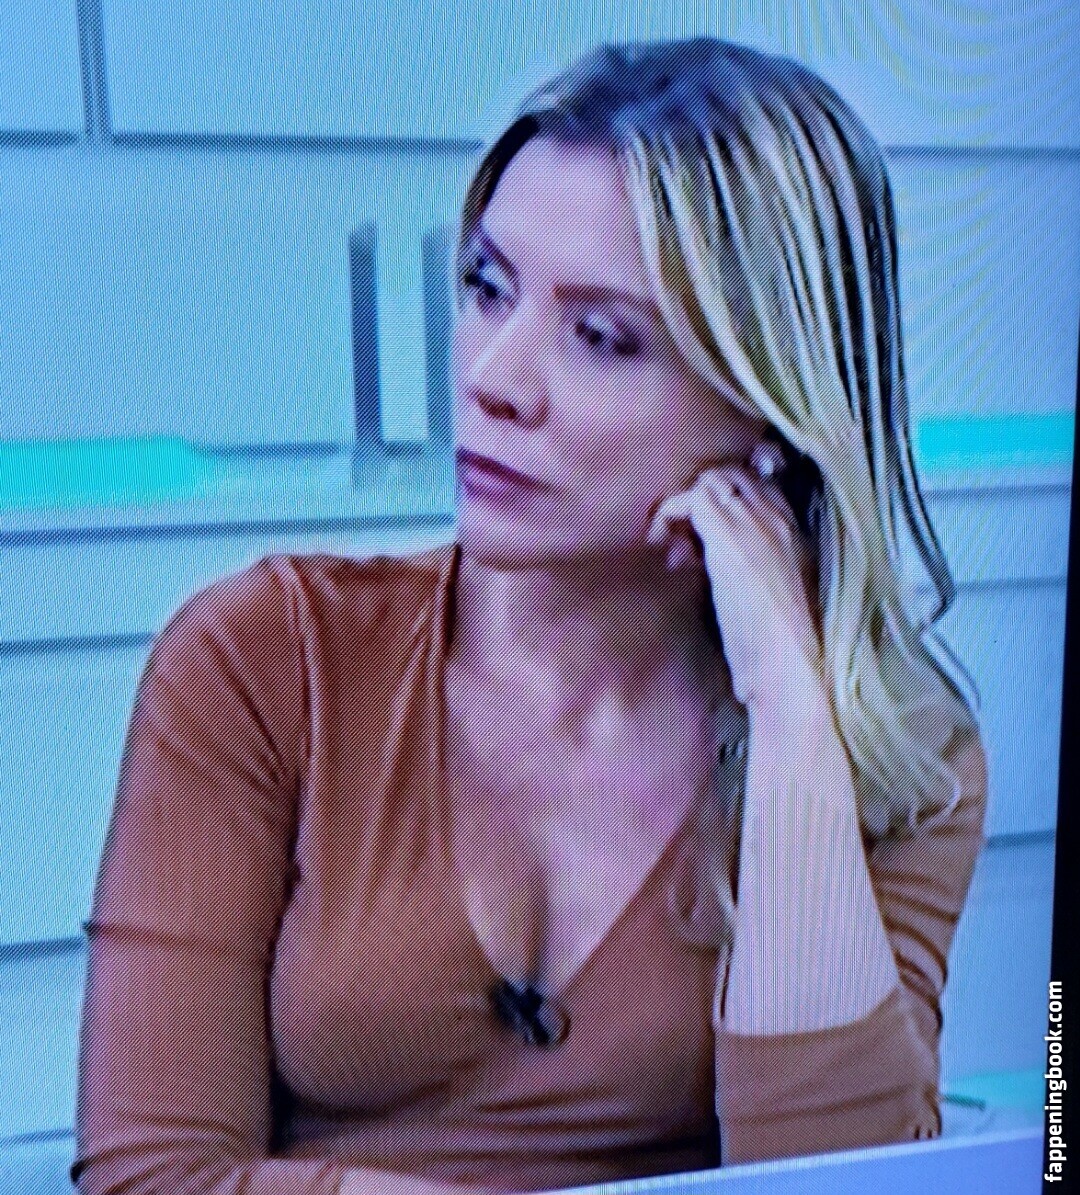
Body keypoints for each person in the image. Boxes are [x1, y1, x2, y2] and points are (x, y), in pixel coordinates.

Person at [70, 36, 988, 1195]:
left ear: (771, 406)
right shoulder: (263, 660)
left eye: (600, 336)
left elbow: (848, 1188)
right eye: (487, 286)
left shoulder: (903, 755)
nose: (491, 377)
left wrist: (796, 728)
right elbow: (150, 1176)